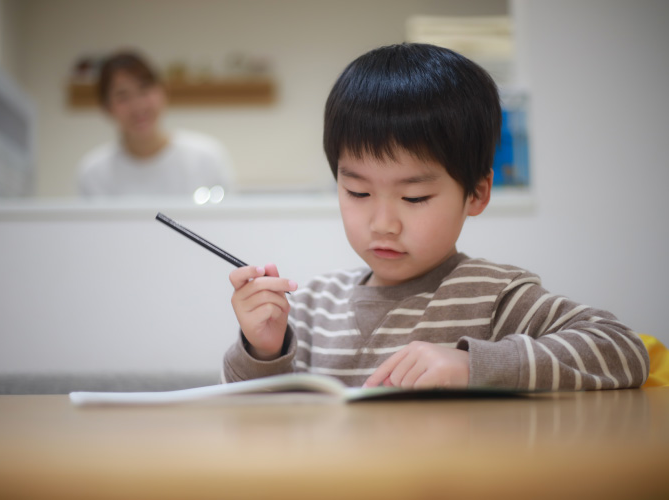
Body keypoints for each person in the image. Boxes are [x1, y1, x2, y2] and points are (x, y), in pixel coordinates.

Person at [222, 43, 649, 390]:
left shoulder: (494, 297)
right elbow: (261, 423)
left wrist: (473, 365)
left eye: (415, 196)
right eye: (358, 192)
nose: (383, 223)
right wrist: (262, 351)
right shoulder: (313, 306)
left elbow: (622, 349)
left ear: (477, 193)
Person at [77, 50, 233, 197]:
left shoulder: (206, 157)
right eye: (122, 96)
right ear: (107, 107)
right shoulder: (94, 172)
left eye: (144, 90)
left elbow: (227, 221)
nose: (138, 106)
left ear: (163, 92)